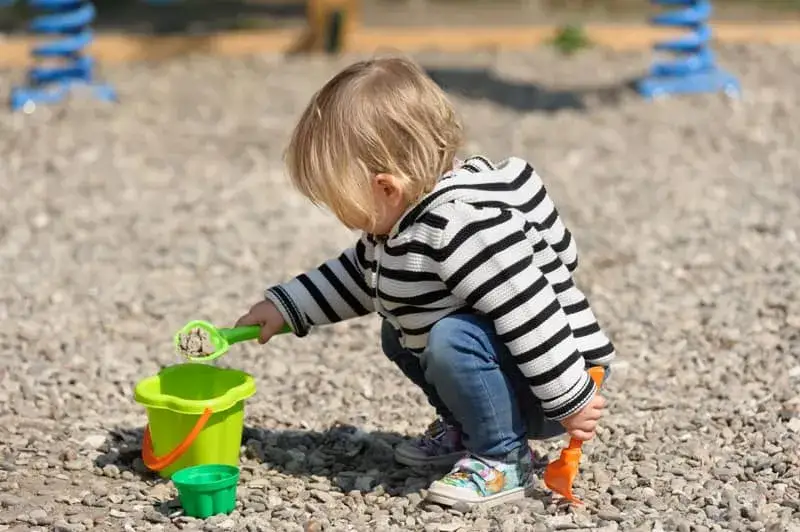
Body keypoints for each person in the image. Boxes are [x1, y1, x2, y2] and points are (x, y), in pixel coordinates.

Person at [235, 55, 616, 508]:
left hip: (554, 375)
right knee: (399, 318)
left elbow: (529, 312)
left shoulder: (461, 226)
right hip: (521, 368)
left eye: (342, 204)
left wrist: (570, 398)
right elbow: (358, 277)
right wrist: (286, 306)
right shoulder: (402, 223)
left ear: (386, 188)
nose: (342, 218)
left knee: (450, 337)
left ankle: (502, 457)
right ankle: (470, 427)